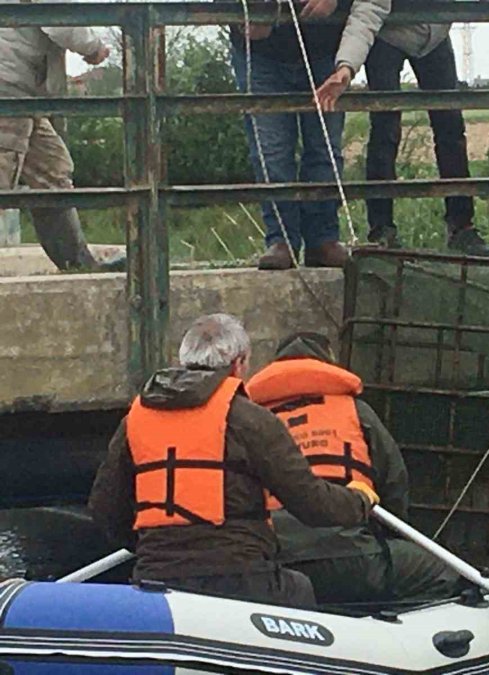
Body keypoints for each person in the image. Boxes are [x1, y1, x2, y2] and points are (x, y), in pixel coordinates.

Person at [89, 314, 378, 606]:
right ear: (239, 364)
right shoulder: (250, 420)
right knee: (299, 588)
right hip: (240, 578)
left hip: (157, 578)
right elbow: (312, 504)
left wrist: (157, 546)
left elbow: (104, 510)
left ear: (184, 359)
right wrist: (359, 501)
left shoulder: (134, 421)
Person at [246, 332, 462, 603]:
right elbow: (394, 483)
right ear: (328, 362)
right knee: (443, 572)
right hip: (354, 556)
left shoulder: (253, 421)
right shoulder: (357, 412)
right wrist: (387, 541)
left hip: (278, 562)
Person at [315, 1, 489, 257]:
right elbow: (367, 11)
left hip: (434, 34)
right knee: (386, 129)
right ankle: (381, 230)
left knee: (451, 126)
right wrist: (347, 66)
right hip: (388, 36)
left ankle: (462, 226)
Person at [230, 0, 390, 270]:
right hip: (260, 53)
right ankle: (281, 239)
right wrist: (241, 15)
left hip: (325, 50)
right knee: (271, 152)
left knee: (325, 149)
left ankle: (322, 239)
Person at [0, 21, 124, 272]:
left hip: (22, 92)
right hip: (8, 87)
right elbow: (59, 22)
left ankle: (77, 265)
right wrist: (94, 47)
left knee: (52, 173)